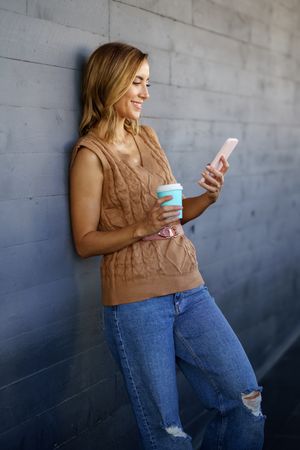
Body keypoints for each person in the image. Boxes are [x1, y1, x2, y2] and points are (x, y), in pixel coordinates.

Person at [69, 42, 265, 450]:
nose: (146, 93)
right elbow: (85, 242)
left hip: (190, 290)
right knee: (168, 435)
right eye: (137, 83)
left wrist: (208, 196)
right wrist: (140, 226)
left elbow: (172, 214)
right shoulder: (90, 154)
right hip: (136, 305)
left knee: (246, 400)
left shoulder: (149, 136)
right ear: (110, 84)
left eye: (148, 82)